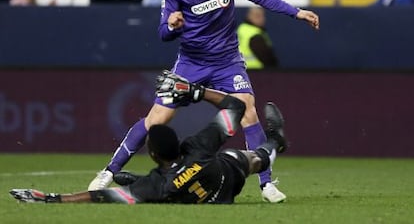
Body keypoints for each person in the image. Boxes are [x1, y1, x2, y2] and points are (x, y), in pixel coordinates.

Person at [89, 0, 319, 203]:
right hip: (191, 64)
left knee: (248, 111)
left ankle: (267, 184)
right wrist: (173, 24)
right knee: (157, 118)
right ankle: (109, 171)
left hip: (227, 62)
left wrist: (296, 13)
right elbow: (163, 33)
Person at [10, 71, 287, 204]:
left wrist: (51, 199)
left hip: (210, 198)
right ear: (178, 143)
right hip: (227, 176)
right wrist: (197, 93)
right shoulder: (198, 145)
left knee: (143, 191)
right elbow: (236, 107)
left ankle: (132, 178)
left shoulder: (156, 186)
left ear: (152, 155)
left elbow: (103, 197)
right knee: (251, 158)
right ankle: (275, 142)